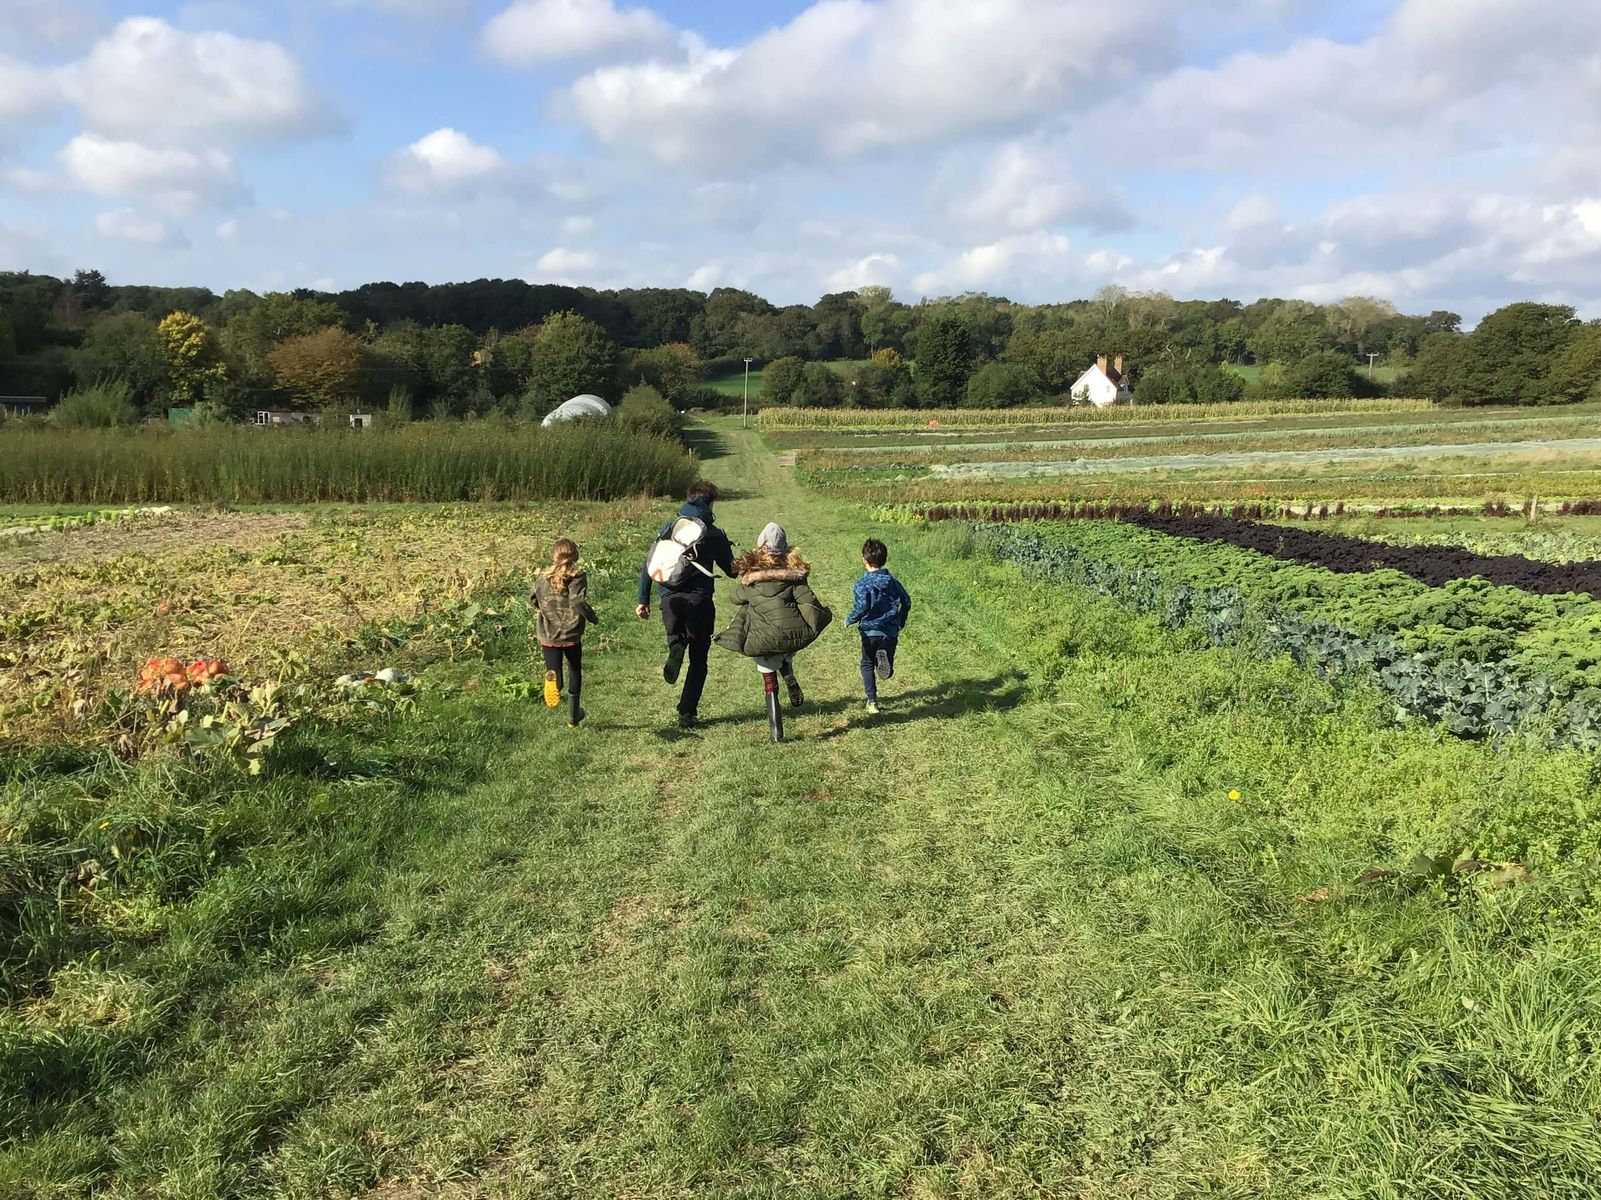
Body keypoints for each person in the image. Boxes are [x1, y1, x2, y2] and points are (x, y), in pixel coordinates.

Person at [714, 523, 832, 742]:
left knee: (769, 682)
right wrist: (822, 617)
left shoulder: (750, 582)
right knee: (783, 648)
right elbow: (809, 604)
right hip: (788, 637)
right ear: (785, 550)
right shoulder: (795, 578)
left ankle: (776, 733)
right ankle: (788, 672)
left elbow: (734, 597)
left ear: (760, 549)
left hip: (762, 640)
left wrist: (747, 581)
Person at [636, 480, 736, 729]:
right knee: (699, 660)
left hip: (669, 600)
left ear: (689, 499)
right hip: (699, 601)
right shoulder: (713, 534)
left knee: (677, 638)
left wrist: (643, 600)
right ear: (711, 503)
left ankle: (675, 645)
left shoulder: (669, 527)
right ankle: (686, 712)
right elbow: (732, 571)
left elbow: (649, 564)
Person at [532, 537, 599, 727]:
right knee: (574, 668)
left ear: (554, 556)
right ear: (575, 555)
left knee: (554, 669)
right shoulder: (577, 576)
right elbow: (578, 601)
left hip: (547, 633)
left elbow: (533, 598)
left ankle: (552, 682)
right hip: (571, 633)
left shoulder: (543, 577)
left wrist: (546, 609)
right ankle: (573, 717)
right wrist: (592, 617)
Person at [844, 537, 912, 715]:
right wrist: (900, 620)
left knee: (866, 663)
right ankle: (885, 662)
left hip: (870, 631)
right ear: (884, 559)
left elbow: (862, 607)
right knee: (885, 665)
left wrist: (850, 619)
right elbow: (906, 601)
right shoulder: (892, 582)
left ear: (864, 560)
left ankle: (872, 702)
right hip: (890, 631)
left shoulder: (861, 584)